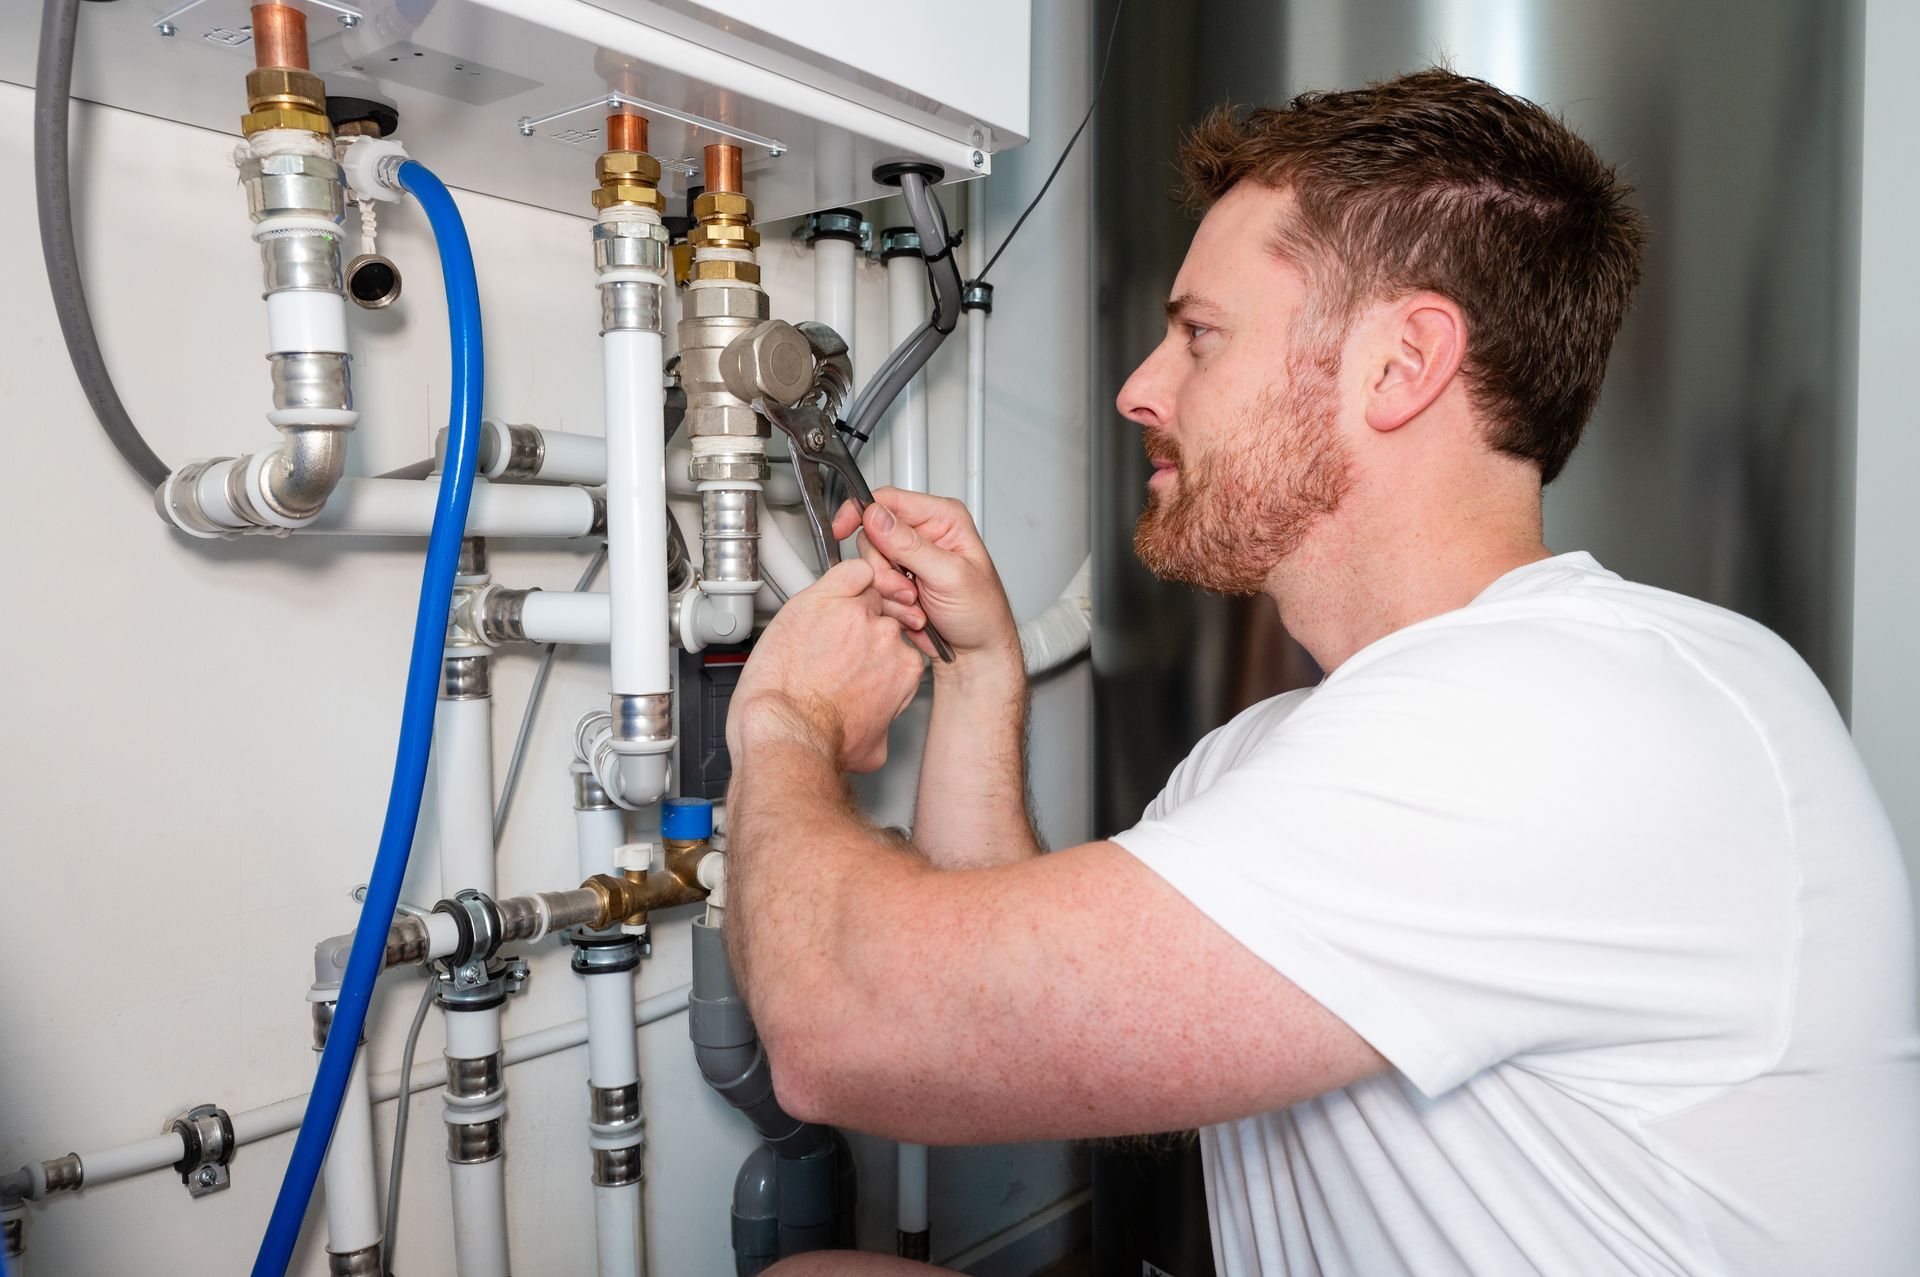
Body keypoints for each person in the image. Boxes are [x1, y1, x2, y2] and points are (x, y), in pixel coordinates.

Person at [723, 70, 1920, 1276]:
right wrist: (981, 676)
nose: (1140, 387)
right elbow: (1029, 1019)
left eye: (1200, 334)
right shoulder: (1298, 746)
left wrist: (781, 717)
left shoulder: (1571, 717)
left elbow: (854, 1028)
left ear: (1403, 365)